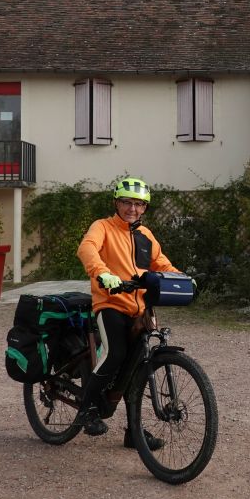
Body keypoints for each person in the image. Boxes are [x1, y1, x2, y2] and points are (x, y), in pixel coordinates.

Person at [75, 177, 181, 449]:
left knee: (136, 369)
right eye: (126, 202)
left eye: (138, 204)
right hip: (110, 304)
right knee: (116, 354)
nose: (132, 208)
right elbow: (87, 248)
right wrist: (103, 274)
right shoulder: (103, 227)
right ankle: (87, 411)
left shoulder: (146, 236)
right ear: (116, 203)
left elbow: (162, 263)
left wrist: (182, 278)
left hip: (141, 310)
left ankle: (134, 432)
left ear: (144, 208)